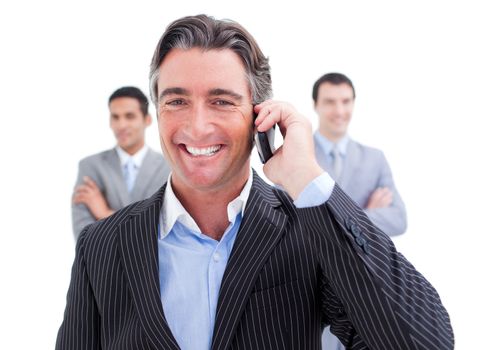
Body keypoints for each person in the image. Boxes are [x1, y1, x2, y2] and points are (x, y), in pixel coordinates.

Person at [56, 15, 454, 350]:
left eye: (222, 101)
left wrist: (306, 179)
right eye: (176, 101)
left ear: (260, 115)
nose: (197, 127)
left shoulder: (305, 233)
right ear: (157, 111)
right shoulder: (101, 247)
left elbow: (425, 342)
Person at [312, 73, 408, 349]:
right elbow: (290, 218)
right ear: (316, 105)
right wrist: (363, 213)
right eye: (330, 102)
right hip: (313, 281)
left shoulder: (374, 159)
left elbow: (399, 219)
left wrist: (335, 216)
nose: (339, 111)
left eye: (345, 101)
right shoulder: (299, 154)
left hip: (364, 287)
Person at [71, 86, 170, 239]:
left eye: (129, 116)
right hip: (102, 263)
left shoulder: (168, 167)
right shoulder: (90, 166)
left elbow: (164, 231)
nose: (121, 125)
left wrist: (104, 213)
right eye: (115, 117)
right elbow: (83, 237)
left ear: (147, 120)